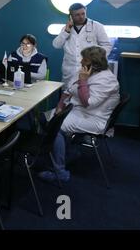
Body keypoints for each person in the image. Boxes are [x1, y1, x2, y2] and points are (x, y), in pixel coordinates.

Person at [38, 46, 120, 183]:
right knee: (43, 117)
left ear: (94, 63)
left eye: (84, 59)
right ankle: (68, 151)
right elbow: (68, 89)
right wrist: (59, 106)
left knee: (55, 127)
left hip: (93, 117)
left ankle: (59, 172)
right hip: (77, 110)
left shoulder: (107, 80)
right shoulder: (85, 71)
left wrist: (83, 81)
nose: (81, 61)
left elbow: (88, 102)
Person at [53, 3, 112, 90]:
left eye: (83, 13)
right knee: (67, 96)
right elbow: (56, 45)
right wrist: (66, 32)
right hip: (70, 70)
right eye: (77, 15)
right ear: (71, 16)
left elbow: (107, 45)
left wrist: (96, 59)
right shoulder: (65, 29)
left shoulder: (96, 26)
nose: (81, 17)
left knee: (85, 95)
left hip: (89, 69)